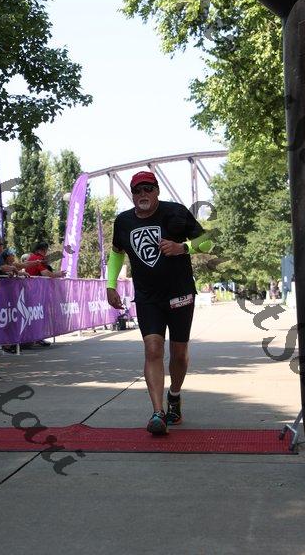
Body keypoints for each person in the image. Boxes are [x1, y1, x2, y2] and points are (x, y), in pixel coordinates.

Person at [106, 171, 213, 435]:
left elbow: (207, 242)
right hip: (147, 297)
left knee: (178, 353)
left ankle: (174, 395)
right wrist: (110, 285)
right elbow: (117, 253)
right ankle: (157, 412)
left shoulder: (175, 212)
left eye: (148, 189)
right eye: (137, 190)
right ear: (132, 194)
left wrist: (182, 248)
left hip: (179, 293)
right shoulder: (123, 221)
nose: (143, 194)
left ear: (157, 190)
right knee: (153, 349)